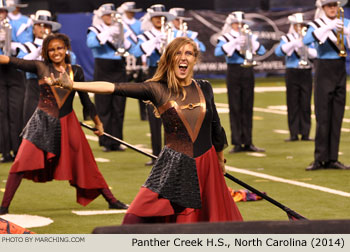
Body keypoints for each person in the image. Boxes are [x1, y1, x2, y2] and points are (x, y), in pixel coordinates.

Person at [47, 36, 243, 223]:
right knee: (136, 215)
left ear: (195, 59)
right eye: (178, 53)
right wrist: (73, 84)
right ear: (169, 58)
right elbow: (112, 87)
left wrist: (219, 161)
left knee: (206, 220)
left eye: (189, 54)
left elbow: (216, 127)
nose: (183, 58)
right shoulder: (156, 89)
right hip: (174, 163)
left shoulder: (204, 87)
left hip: (207, 164)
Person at [0, 33, 128, 215]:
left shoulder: (76, 71)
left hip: (69, 123)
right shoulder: (40, 66)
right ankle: (3, 207)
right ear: (46, 52)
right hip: (41, 123)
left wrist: (98, 124)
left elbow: (86, 101)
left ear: (66, 48)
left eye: (59, 48)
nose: (56, 52)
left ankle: (112, 200)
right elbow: (12, 61)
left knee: (87, 163)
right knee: (21, 162)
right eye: (51, 49)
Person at [303, 0, 350, 171]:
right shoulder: (316, 24)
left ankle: (333, 158)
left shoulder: (345, 22)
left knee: (337, 116)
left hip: (340, 69)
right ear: (322, 8)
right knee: (323, 116)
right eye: (329, 6)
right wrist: (328, 28)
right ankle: (319, 158)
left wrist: (347, 31)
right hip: (323, 69)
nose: (332, 8)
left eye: (334, 5)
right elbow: (306, 41)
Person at [214, 11, 266, 154]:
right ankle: (237, 142)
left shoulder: (249, 36)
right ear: (231, 24)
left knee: (248, 106)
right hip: (234, 70)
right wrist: (234, 42)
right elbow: (218, 52)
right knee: (235, 106)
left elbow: (262, 51)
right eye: (237, 23)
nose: (240, 26)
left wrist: (252, 42)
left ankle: (248, 141)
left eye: (242, 23)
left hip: (248, 70)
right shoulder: (225, 37)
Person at [87, 3, 135, 152]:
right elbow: (91, 43)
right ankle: (106, 141)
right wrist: (107, 33)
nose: (110, 17)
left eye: (112, 15)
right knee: (103, 106)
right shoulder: (95, 29)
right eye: (107, 15)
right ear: (101, 16)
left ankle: (117, 140)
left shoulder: (120, 27)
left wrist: (122, 36)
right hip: (103, 68)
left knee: (119, 106)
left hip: (118, 67)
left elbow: (132, 47)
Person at [132, 4, 175, 165]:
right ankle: (156, 155)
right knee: (154, 115)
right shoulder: (146, 35)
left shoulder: (173, 33)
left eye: (162, 17)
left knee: (174, 114)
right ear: (151, 19)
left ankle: (174, 154)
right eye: (156, 17)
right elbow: (136, 52)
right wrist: (154, 41)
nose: (159, 19)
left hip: (171, 74)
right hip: (154, 72)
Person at [275, 13, 317, 142]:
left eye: (302, 25)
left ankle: (305, 133)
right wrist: (295, 43)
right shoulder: (287, 38)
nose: (300, 28)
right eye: (298, 25)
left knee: (305, 102)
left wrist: (305, 47)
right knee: (292, 102)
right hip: (292, 71)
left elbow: (315, 54)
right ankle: (293, 133)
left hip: (306, 71)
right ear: (293, 26)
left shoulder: (309, 38)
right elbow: (278, 51)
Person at [15, 10, 62, 126]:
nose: (43, 29)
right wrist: (37, 52)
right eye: (39, 25)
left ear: (51, 29)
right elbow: (19, 65)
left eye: (46, 25)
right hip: (33, 89)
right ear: (33, 28)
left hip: (53, 90)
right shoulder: (26, 47)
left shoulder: (58, 47)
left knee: (53, 128)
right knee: (31, 126)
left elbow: (71, 61)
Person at [0, 1, 24, 163]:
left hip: (14, 69)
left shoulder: (19, 24)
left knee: (16, 111)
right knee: (1, 112)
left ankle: (18, 149)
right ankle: (4, 151)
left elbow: (27, 44)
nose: (1, 14)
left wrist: (13, 43)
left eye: (3, 11)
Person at [117, 1, 147, 121]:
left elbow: (142, 42)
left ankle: (144, 114)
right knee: (122, 86)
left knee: (142, 86)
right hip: (123, 57)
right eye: (129, 12)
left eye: (132, 12)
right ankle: (119, 113)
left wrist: (144, 59)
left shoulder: (139, 24)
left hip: (137, 56)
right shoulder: (120, 23)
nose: (131, 14)